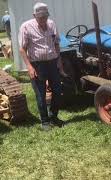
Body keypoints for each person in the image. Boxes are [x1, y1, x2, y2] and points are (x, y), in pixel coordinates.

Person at [19, 2, 65, 131]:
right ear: (34, 15)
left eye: (45, 16)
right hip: (37, 65)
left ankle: (54, 116)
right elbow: (22, 49)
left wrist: (59, 60)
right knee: (41, 94)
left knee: (57, 90)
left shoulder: (51, 24)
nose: (43, 19)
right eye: (40, 17)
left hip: (52, 62)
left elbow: (56, 44)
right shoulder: (26, 27)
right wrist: (29, 67)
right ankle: (44, 121)